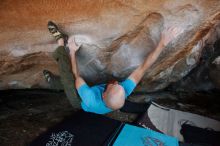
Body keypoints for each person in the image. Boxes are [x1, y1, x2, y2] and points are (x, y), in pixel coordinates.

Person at [45, 21, 182, 114]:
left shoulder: (90, 98)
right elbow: (144, 67)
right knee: (65, 81)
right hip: (93, 93)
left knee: (67, 77)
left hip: (78, 100)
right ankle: (53, 82)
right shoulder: (122, 91)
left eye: (114, 86)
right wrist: (163, 43)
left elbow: (76, 75)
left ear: (104, 95)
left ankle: (60, 42)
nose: (117, 82)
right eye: (119, 86)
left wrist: (73, 52)